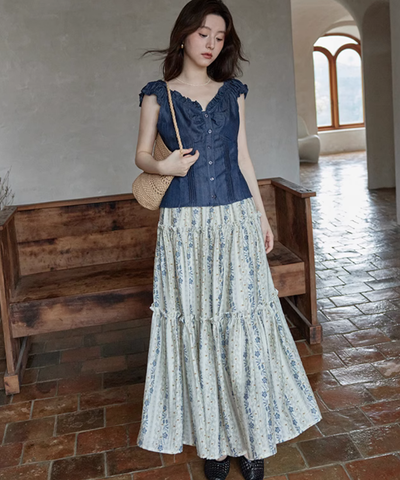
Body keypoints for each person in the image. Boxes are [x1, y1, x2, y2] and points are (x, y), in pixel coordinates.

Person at [134, 1, 322, 479]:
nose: (211, 44)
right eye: (203, 34)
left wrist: (261, 216)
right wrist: (164, 165)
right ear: (184, 35)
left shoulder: (233, 92)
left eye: (219, 37)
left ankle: (251, 440)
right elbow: (141, 156)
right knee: (200, 330)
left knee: (242, 330)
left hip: (236, 220)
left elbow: (242, 158)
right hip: (184, 227)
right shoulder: (158, 95)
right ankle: (214, 446)